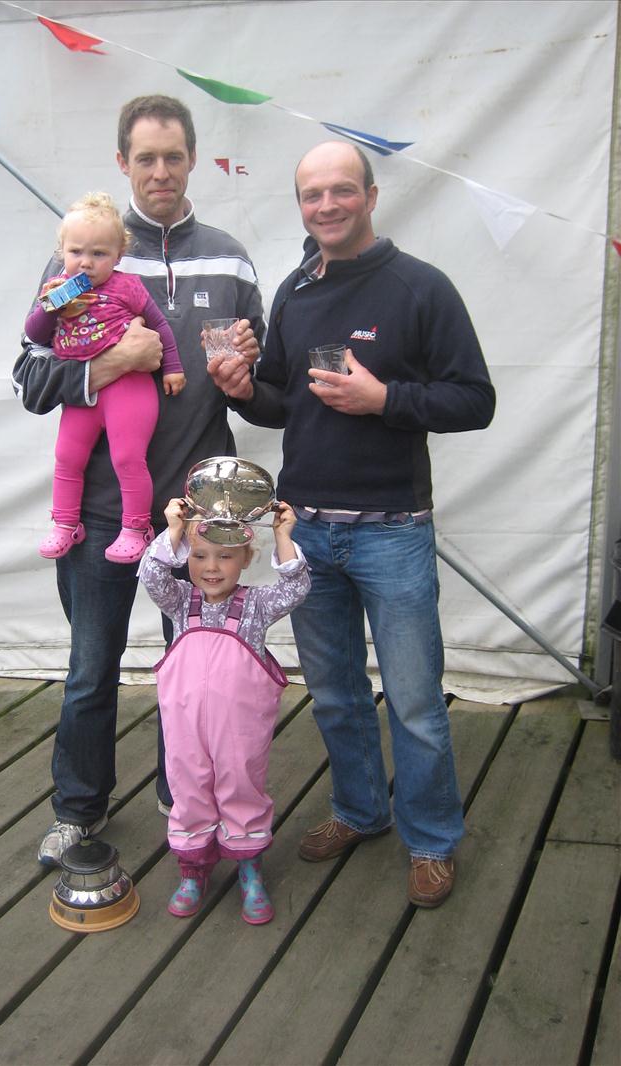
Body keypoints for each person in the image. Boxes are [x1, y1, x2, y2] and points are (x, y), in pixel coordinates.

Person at [209, 140, 496, 908]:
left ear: (371, 196)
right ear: (300, 205)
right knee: (334, 693)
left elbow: (476, 400)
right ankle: (360, 811)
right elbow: (280, 399)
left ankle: (431, 839)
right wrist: (240, 390)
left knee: (413, 700)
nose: (326, 206)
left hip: (392, 530)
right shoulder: (297, 290)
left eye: (342, 191)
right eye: (312, 195)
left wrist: (387, 400)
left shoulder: (420, 288)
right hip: (305, 531)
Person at [12, 96, 266, 865]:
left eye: (174, 156)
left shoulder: (228, 256)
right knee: (92, 668)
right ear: (123, 163)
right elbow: (28, 375)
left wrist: (250, 365)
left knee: (192, 667)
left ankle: (181, 794)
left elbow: (265, 378)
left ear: (192, 160)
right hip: (98, 513)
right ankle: (78, 810)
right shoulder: (81, 256)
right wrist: (108, 365)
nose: (160, 171)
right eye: (145, 158)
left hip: (197, 513)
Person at [139, 496, 310, 923]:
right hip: (185, 730)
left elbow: (296, 588)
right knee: (189, 786)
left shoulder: (256, 606)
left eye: (224, 556)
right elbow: (151, 573)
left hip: (239, 732)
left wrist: (284, 536)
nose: (211, 567)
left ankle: (250, 868)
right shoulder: (179, 601)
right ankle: (192, 869)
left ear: (247, 558)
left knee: (241, 786)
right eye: (199, 555)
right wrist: (174, 530)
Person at [26, 192, 186, 564]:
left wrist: (173, 367)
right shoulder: (60, 287)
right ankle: (65, 523)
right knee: (66, 456)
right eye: (76, 252)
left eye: (99, 254)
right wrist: (50, 307)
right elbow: (34, 334)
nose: (85, 263)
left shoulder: (126, 286)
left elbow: (160, 325)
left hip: (129, 388)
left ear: (117, 255)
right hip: (83, 394)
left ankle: (136, 526)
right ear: (62, 251)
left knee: (128, 456)